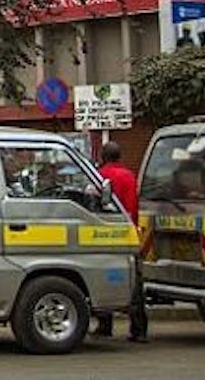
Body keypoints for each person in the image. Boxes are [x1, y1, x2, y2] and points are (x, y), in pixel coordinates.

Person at [92, 141, 148, 341]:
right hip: (129, 230)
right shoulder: (129, 175)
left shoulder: (100, 176)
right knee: (135, 282)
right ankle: (139, 330)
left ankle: (105, 325)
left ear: (102, 157)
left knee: (102, 274)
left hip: (103, 231)